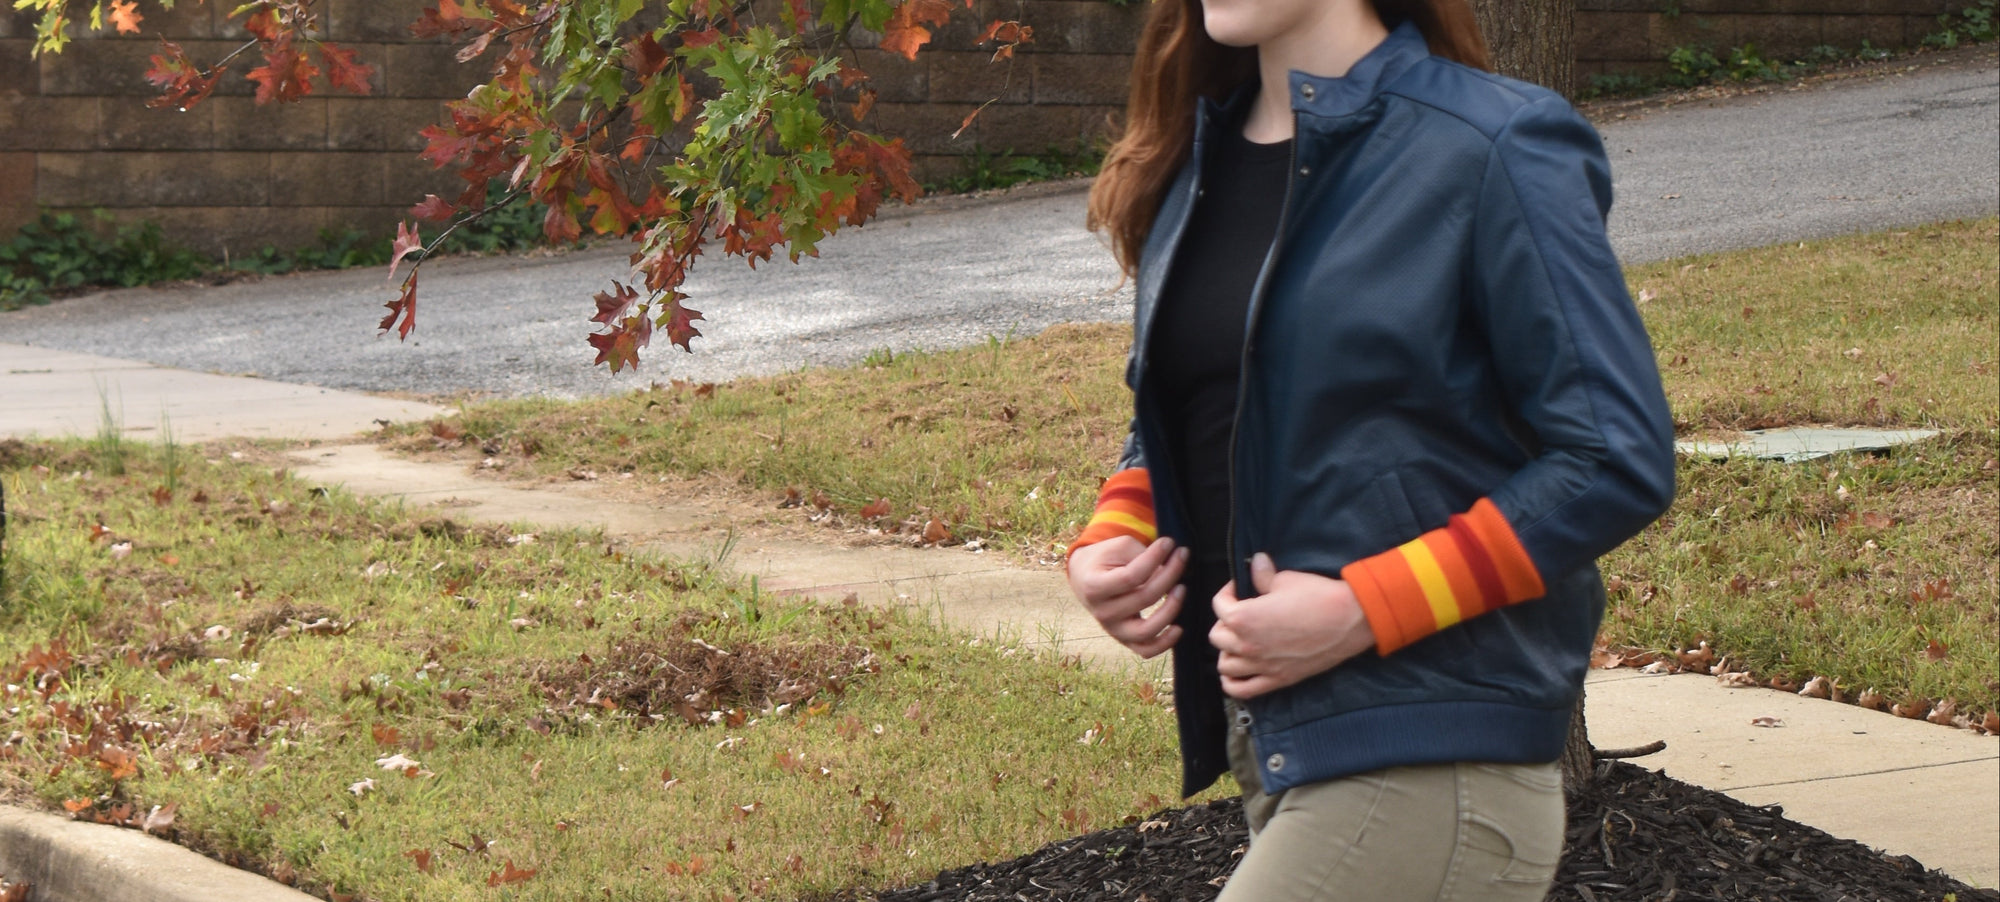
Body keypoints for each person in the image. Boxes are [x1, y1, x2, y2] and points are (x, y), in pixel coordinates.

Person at [1063, 0, 1678, 898]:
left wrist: (1366, 605)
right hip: (1277, 744)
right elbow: (1202, 412)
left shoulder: (1491, 141)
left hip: (1437, 745)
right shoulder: (1192, 158)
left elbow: (1614, 456)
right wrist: (1117, 533)